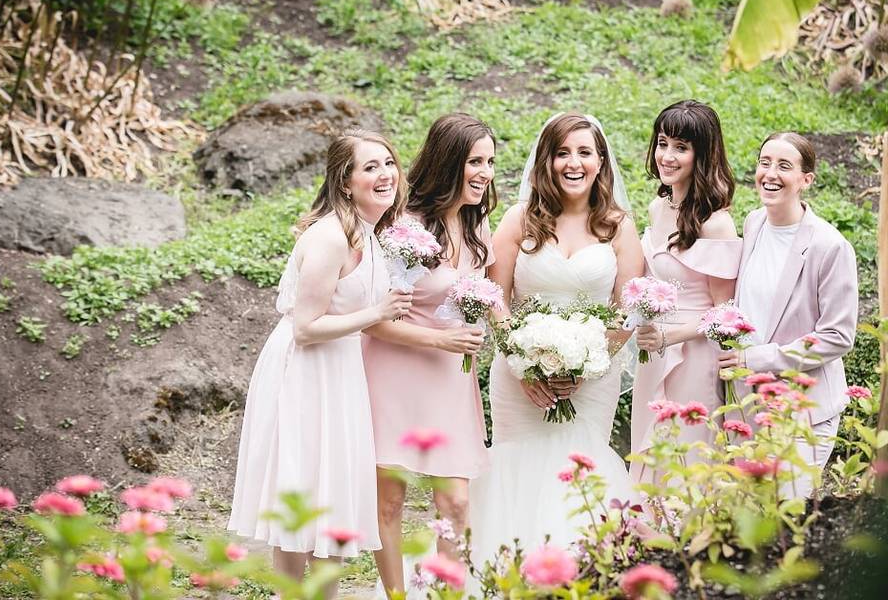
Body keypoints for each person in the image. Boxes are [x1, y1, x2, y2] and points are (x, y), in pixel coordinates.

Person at [227, 129, 413, 590]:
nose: (385, 174)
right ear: (345, 182)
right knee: (301, 491)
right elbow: (305, 328)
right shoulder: (331, 237)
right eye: (370, 167)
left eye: (388, 163)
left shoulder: (369, 234)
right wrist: (377, 310)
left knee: (335, 497)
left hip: (341, 370)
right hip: (305, 373)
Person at [468, 112, 645, 563]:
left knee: (579, 474)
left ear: (601, 162)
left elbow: (629, 308)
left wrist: (587, 367)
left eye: (585, 153)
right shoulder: (520, 219)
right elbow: (495, 297)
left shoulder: (619, 226)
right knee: (516, 473)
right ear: (545, 161)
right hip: (519, 377)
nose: (573, 163)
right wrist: (521, 363)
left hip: (592, 382)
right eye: (562, 153)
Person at [362, 113, 495, 594]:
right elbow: (375, 320)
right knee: (389, 504)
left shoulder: (477, 228)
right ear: (448, 162)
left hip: (450, 382)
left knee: (456, 503)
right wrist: (442, 339)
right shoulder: (405, 228)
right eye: (474, 161)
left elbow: (490, 304)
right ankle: (396, 594)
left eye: (489, 162)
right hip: (395, 374)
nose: (484, 173)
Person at [720, 131, 858, 499]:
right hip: (748, 402)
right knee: (747, 520)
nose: (770, 173)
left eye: (784, 166)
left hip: (802, 410)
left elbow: (837, 336)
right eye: (765, 163)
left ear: (806, 180)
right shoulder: (754, 224)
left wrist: (756, 358)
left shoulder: (829, 247)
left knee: (785, 522)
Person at [628, 100, 742, 481]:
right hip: (653, 348)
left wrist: (671, 334)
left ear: (702, 154)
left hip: (693, 355)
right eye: (663, 143)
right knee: (651, 449)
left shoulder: (717, 224)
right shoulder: (656, 208)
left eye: (681, 147)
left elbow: (726, 313)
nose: (667, 156)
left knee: (687, 457)